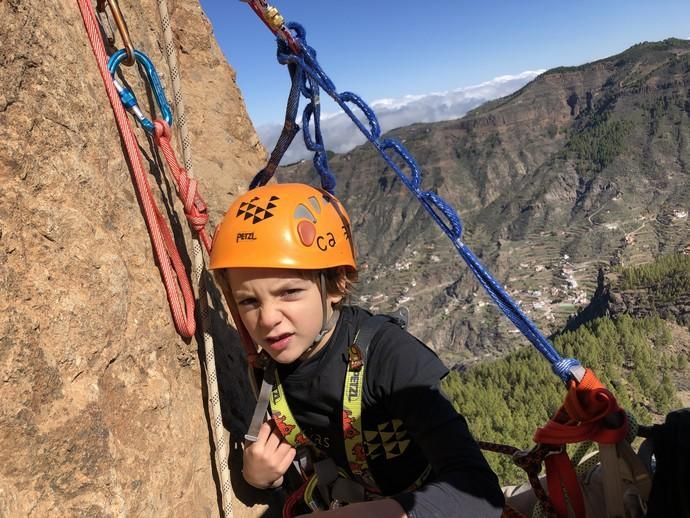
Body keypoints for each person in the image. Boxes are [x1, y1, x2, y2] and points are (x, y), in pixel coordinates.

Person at [209, 183, 504, 517]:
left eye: (289, 292)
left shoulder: (392, 359)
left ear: (335, 285)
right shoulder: (270, 369)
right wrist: (258, 478)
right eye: (248, 301)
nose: (267, 319)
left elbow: (480, 494)